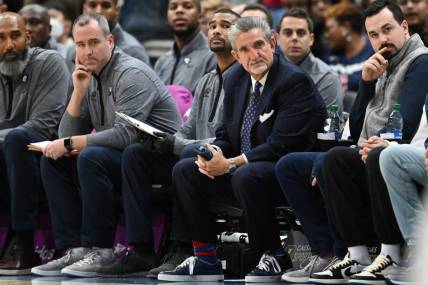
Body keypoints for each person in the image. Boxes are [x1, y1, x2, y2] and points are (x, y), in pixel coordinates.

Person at [157, 16, 327, 283]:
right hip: (245, 170)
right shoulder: (235, 77)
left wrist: (231, 163)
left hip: (285, 173)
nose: (254, 54)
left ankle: (273, 255)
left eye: (259, 44)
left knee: (249, 175)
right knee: (187, 168)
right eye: (245, 49)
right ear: (235, 54)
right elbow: (227, 135)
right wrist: (211, 154)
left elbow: (281, 145)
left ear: (272, 43)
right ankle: (205, 258)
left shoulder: (293, 81)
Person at [30, 13, 181, 277]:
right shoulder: (88, 76)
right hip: (122, 157)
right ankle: (73, 249)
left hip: (159, 157)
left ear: (110, 41)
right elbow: (66, 132)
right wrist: (77, 92)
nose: (87, 51)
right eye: (80, 45)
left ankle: (100, 249)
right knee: (53, 160)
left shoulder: (131, 73)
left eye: (94, 42)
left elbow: (127, 135)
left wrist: (69, 142)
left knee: (90, 156)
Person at [93, 8, 241, 278]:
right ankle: (141, 249)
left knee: (185, 158)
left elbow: (226, 140)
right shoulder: (208, 80)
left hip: (223, 160)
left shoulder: (243, 79)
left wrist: (175, 144)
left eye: (226, 25)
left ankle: (183, 247)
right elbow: (186, 127)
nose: (217, 30)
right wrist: (164, 140)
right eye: (213, 25)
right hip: (192, 150)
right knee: (136, 154)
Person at [312, 0, 428, 283]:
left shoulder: (421, 60)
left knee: (378, 154)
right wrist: (365, 83)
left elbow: (407, 122)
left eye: (387, 30)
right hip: (382, 148)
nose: (381, 40)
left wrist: (374, 144)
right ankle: (357, 255)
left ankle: (390, 253)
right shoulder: (382, 64)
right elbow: (352, 130)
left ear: (404, 27)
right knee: (334, 158)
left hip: (410, 151)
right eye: (374, 35)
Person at [0, 12, 70, 275]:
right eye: (1, 38)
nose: (9, 45)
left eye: (15, 36)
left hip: (47, 156)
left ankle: (24, 244)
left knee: (18, 139)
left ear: (28, 37)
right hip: (6, 157)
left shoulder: (51, 63)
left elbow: (43, 127)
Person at [277, 8, 343, 115]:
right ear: (278, 39)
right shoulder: (270, 72)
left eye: (301, 33)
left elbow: (329, 127)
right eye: (288, 33)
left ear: (311, 39)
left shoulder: (327, 78)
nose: (294, 38)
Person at [66, 0, 151, 70]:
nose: (98, 11)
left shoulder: (133, 51)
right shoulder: (73, 50)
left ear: (117, 9)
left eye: (105, 5)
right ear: (84, 9)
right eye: (92, 5)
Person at [154, 0, 216, 95]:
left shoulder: (213, 57)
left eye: (187, 6)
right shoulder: (162, 62)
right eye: (173, 7)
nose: (179, 11)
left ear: (200, 16)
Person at [323, 2, 373, 93]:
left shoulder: (373, 51)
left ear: (346, 27)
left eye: (328, 29)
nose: (326, 35)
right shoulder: (329, 55)